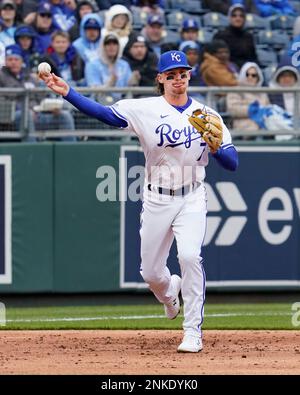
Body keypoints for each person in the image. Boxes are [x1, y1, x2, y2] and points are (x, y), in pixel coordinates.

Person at [39, 50, 238, 353]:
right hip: (157, 198)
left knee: (189, 257)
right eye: (170, 75)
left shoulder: (208, 116)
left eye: (182, 74)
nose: (177, 80)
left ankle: (192, 332)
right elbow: (105, 114)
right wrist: (68, 92)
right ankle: (170, 293)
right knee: (151, 274)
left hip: (192, 196)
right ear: (160, 79)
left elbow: (232, 162)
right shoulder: (145, 109)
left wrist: (216, 148)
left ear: (189, 77)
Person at [226, 61, 269, 139]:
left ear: (258, 77)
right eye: (247, 74)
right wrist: (249, 110)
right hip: (243, 125)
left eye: (253, 75)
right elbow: (232, 109)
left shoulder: (263, 93)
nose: (250, 77)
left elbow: (268, 107)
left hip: (263, 124)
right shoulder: (235, 90)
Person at [213, 4, 258, 70]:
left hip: (246, 71)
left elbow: (253, 58)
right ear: (229, 18)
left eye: (241, 16)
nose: (238, 18)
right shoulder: (220, 36)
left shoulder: (249, 37)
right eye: (234, 15)